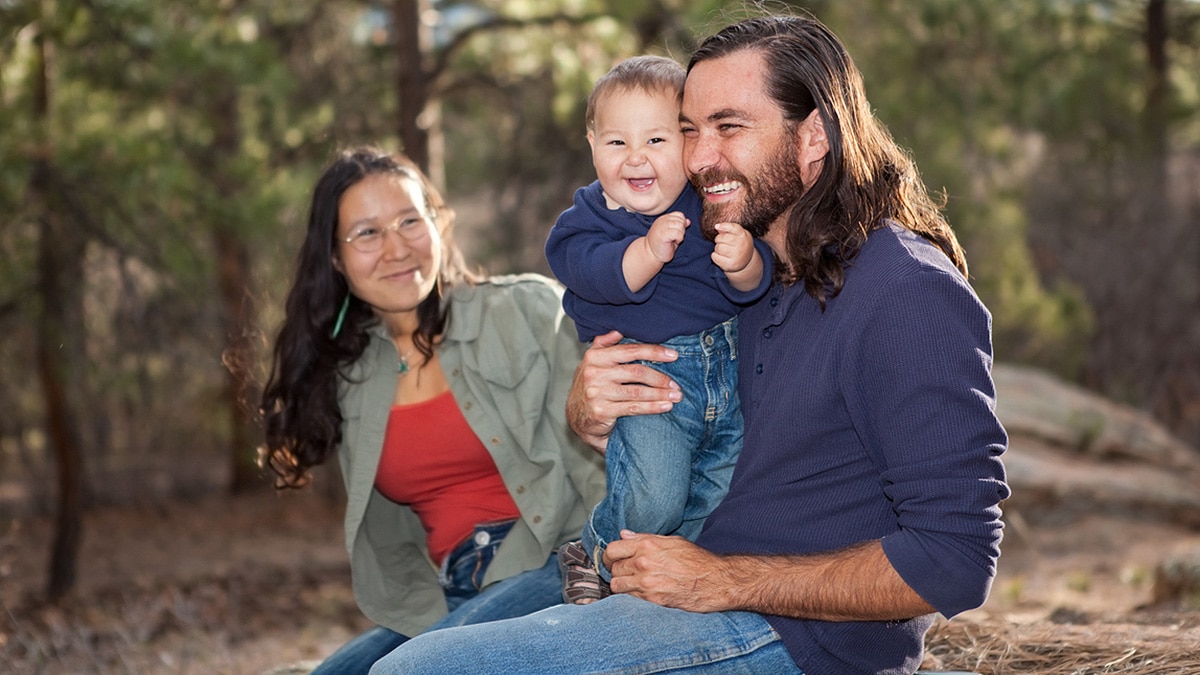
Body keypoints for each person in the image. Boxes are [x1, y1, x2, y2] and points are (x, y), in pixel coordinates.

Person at [369, 14, 1009, 675]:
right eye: (689, 130)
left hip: (790, 635)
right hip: (668, 572)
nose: (699, 158)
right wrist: (589, 410)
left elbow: (956, 560)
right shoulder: (736, 271)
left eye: (729, 128)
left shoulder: (905, 291)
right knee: (372, 660)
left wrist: (724, 581)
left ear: (814, 135)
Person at [258, 147, 605, 674]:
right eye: (368, 233)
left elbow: (611, 448)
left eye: (409, 221)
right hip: (447, 597)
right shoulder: (351, 378)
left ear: (438, 225)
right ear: (335, 258)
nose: (396, 248)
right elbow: (393, 541)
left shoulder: (528, 310)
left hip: (557, 564)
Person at [544, 55, 772, 604]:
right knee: (657, 496)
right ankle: (594, 550)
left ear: (688, 147)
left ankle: (649, 584)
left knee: (720, 493)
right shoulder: (586, 223)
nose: (636, 158)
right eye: (617, 143)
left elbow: (753, 286)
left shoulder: (709, 204)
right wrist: (646, 251)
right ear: (592, 144)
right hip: (652, 381)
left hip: (728, 373)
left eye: (657, 141)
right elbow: (599, 276)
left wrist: (743, 260)